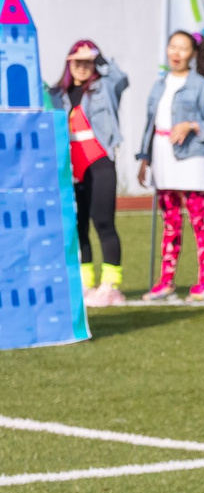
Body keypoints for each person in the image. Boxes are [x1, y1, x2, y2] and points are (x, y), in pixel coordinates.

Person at [134, 29, 204, 304]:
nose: (176, 53)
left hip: (191, 161)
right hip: (163, 161)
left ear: (193, 54)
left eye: (183, 48)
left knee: (200, 223)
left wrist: (192, 125)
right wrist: (144, 158)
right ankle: (166, 282)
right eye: (172, 47)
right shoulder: (159, 84)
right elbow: (151, 124)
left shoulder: (201, 86)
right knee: (170, 224)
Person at [49, 39, 129, 306]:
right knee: (78, 228)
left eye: (88, 62)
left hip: (100, 164)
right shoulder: (56, 94)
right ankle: (84, 283)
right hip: (71, 169)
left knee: (103, 223)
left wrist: (100, 56)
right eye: (77, 62)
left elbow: (121, 78)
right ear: (69, 63)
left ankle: (111, 285)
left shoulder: (104, 88)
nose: (82, 68)